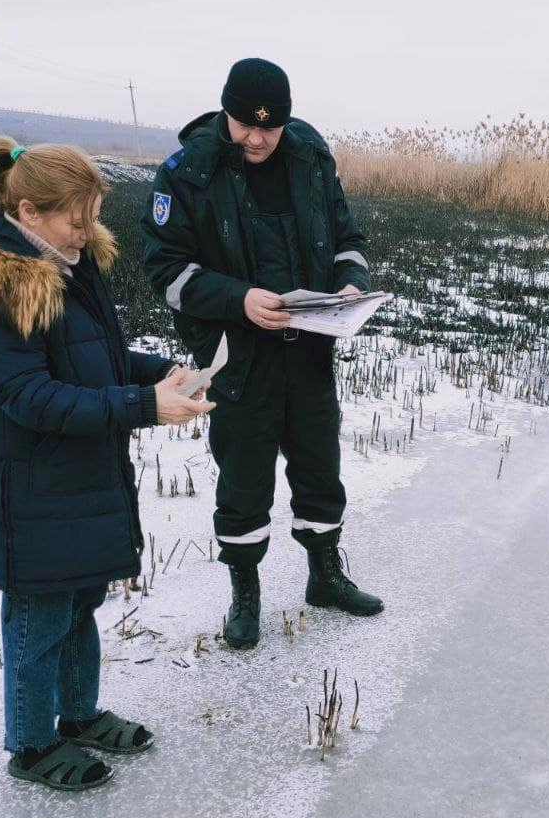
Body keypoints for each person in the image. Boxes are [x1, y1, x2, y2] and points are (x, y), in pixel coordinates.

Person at [0, 136, 214, 790]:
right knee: (39, 615)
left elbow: (93, 361)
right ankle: (30, 745)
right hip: (30, 482)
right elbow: (26, 396)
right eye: (75, 218)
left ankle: (78, 716)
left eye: (93, 214)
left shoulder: (70, 267)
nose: (87, 230)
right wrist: (142, 405)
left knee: (80, 601)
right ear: (28, 211)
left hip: (80, 473)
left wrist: (165, 374)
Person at [140, 57, 383, 651]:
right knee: (244, 478)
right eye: (246, 125)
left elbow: (347, 239)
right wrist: (238, 299)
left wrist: (350, 282)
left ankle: (324, 575)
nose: (257, 138)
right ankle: (244, 591)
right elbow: (165, 272)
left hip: (309, 352)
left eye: (270, 128)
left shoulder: (309, 157)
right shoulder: (186, 172)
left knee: (320, 466)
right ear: (226, 111)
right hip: (238, 355)